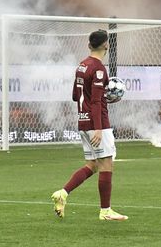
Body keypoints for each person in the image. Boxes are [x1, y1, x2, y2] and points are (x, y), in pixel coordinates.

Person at [51, 29, 127, 221]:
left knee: (93, 165)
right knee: (107, 164)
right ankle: (106, 211)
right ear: (106, 46)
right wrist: (100, 128)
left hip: (83, 121)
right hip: (96, 123)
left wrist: (103, 100)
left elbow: (76, 96)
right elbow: (94, 101)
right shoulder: (99, 69)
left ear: (88, 45)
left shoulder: (82, 66)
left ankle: (63, 193)